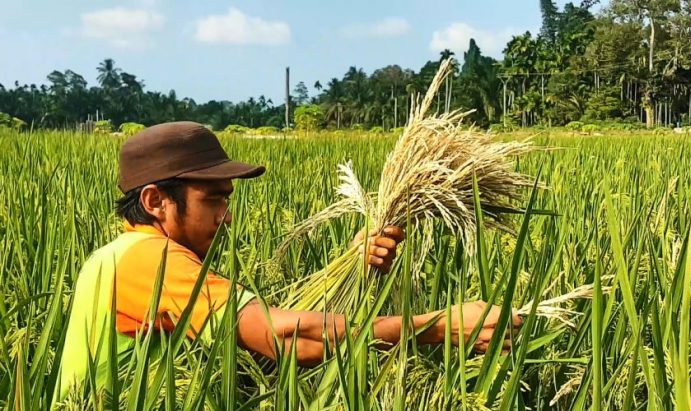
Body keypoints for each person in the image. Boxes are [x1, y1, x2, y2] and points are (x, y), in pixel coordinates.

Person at [54, 121, 521, 404]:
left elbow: (257, 330)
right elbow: (284, 338)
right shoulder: (150, 260)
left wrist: (351, 268)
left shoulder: (122, 256)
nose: (227, 215)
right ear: (156, 200)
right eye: (213, 199)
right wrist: (437, 326)